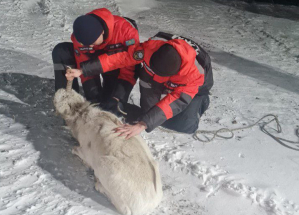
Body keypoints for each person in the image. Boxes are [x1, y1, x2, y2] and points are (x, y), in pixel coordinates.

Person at [66, 32, 214, 139]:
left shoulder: (195, 74)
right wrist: (84, 69)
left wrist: (143, 125)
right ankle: (145, 106)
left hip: (197, 87)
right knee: (148, 112)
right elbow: (120, 58)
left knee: (184, 125)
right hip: (153, 76)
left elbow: (177, 99)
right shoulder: (150, 48)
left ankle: (201, 102)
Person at [52, 8, 139, 112]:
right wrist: (93, 96)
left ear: (102, 32)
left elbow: (129, 70)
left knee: (111, 107)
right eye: (86, 44)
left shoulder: (126, 32)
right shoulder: (80, 37)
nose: (90, 46)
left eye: (92, 43)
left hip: (117, 66)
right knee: (61, 51)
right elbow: (83, 64)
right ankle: (69, 107)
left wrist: (117, 97)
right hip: (93, 65)